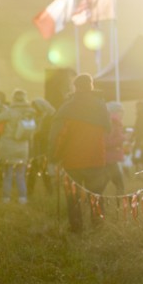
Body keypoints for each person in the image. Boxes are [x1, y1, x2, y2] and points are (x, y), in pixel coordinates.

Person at [49, 74, 111, 233]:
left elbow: (56, 135)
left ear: (76, 87)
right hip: (96, 159)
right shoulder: (101, 106)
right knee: (95, 195)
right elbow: (108, 131)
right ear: (91, 85)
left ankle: (76, 228)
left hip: (72, 160)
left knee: (73, 197)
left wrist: (53, 156)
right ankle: (98, 227)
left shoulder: (68, 107)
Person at [0, 89, 35, 204]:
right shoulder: (30, 111)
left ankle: (6, 199)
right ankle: (22, 198)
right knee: (21, 175)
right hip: (23, 147)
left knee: (8, 174)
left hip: (8, 146)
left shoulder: (10, 112)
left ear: (13, 98)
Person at [27, 98, 56, 196]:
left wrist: (37, 134)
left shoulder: (50, 118)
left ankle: (49, 192)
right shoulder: (38, 116)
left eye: (36, 108)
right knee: (34, 170)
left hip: (44, 147)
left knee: (44, 170)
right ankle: (31, 192)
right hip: (36, 147)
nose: (35, 110)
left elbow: (48, 133)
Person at [103, 101, 127, 195]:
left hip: (109, 157)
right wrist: (123, 138)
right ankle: (120, 204)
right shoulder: (113, 122)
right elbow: (107, 142)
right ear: (116, 111)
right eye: (122, 111)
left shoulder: (114, 122)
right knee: (119, 184)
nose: (123, 114)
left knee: (104, 183)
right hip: (109, 158)